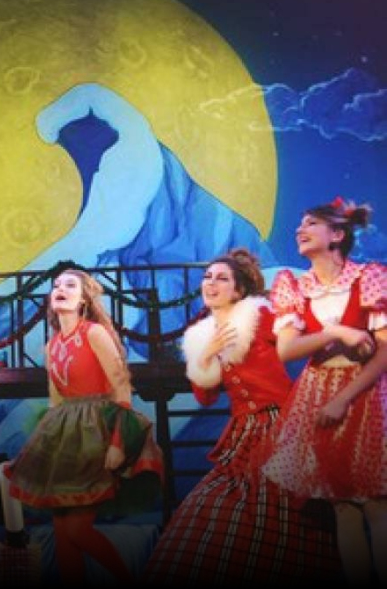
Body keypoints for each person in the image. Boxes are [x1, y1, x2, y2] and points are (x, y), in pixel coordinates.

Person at [143, 249, 340, 584]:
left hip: (280, 423)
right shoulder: (201, 334)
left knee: (285, 507)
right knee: (212, 507)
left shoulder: (259, 316)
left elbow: (299, 339)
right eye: (207, 277)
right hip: (243, 432)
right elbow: (205, 396)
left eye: (222, 278)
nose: (211, 284)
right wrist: (205, 356)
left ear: (239, 290)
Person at [2, 269, 163, 584]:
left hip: (96, 429)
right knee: (63, 532)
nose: (60, 288)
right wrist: (41, 451)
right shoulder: (51, 345)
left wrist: (116, 442)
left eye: (70, 285)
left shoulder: (94, 333)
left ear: (84, 299)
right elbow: (55, 402)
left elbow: (121, 387)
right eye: (56, 285)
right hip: (66, 434)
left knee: (76, 530)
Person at [262, 197, 387, 586]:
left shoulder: (369, 277)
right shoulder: (294, 286)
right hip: (316, 391)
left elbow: (384, 352)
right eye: (299, 223)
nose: (300, 229)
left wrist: (343, 399)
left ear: (336, 235)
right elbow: (287, 350)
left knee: (377, 506)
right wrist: (336, 331)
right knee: (342, 507)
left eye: (311, 223)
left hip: (366, 393)